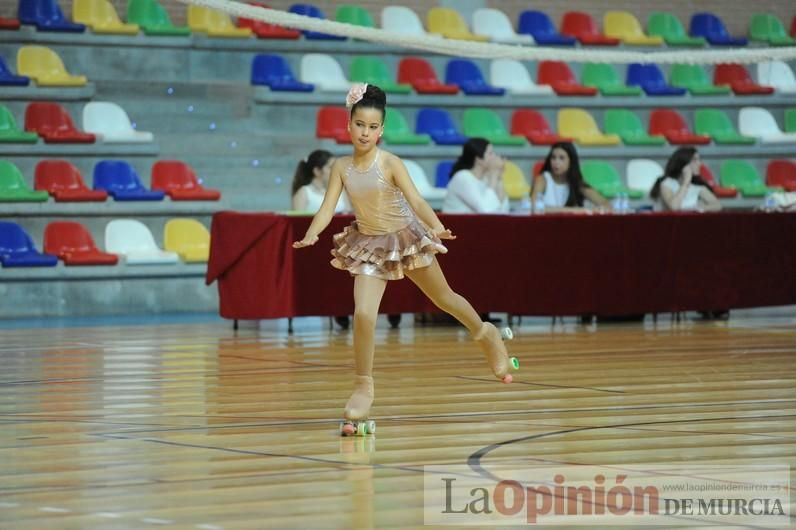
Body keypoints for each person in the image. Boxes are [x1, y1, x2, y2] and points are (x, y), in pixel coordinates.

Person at [293, 84, 518, 435]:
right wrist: (312, 233)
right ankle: (363, 385)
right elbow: (326, 209)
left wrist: (437, 227)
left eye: (372, 127)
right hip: (368, 243)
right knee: (364, 314)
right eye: (359, 125)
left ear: (381, 131)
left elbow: (417, 201)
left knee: (444, 299)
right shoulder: (340, 167)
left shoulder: (391, 163)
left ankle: (485, 333)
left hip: (406, 239)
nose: (365, 132)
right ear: (349, 125)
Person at [530, 142, 611, 213]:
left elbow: (606, 204)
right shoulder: (542, 179)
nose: (556, 162)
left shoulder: (577, 183)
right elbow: (535, 207)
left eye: (561, 158)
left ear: (571, 162)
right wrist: (575, 210)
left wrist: (597, 209)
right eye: (553, 158)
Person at [442, 138, 509, 213]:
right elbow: (486, 211)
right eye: (490, 153)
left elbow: (503, 211)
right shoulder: (463, 177)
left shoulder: (486, 179)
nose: (495, 156)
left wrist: (498, 177)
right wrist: (494, 175)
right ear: (478, 159)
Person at [650, 147, 721, 212]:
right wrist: (686, 182)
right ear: (683, 164)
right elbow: (674, 207)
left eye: (699, 160)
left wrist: (698, 208)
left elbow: (718, 205)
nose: (699, 163)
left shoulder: (698, 186)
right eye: (695, 160)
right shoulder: (666, 183)